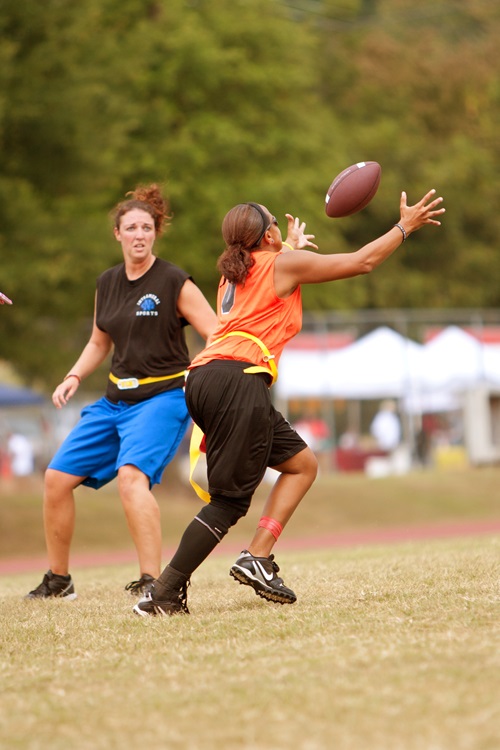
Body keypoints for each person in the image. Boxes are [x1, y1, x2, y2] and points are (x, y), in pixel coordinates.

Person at [134, 189, 445, 617]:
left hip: (206, 376)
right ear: (264, 237)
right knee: (227, 502)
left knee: (302, 464)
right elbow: (362, 261)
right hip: (236, 379)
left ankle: (257, 557)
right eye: (274, 224)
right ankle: (164, 593)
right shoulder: (280, 262)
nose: (281, 228)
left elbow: (267, 291)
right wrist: (403, 227)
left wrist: (291, 249)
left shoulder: (234, 273)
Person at [25, 184, 217, 600]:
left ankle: (154, 583)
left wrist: (202, 377)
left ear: (155, 232)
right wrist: (73, 376)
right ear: (117, 233)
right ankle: (59, 581)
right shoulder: (107, 283)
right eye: (131, 227)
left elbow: (215, 332)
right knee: (56, 478)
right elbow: (99, 342)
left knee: (132, 479)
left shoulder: (173, 280)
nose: (139, 234)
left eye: (146, 227)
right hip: (114, 402)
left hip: (162, 399)